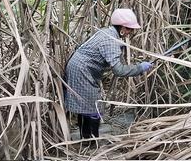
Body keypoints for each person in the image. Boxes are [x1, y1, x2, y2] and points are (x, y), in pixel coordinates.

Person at [64, 8, 153, 141]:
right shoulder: (110, 40)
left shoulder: (108, 32)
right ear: (122, 27)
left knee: (87, 105)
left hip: (79, 68)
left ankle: (86, 138)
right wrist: (140, 68)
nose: (131, 32)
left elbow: (117, 61)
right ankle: (90, 140)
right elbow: (118, 70)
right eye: (129, 29)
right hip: (81, 71)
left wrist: (137, 66)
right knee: (93, 106)